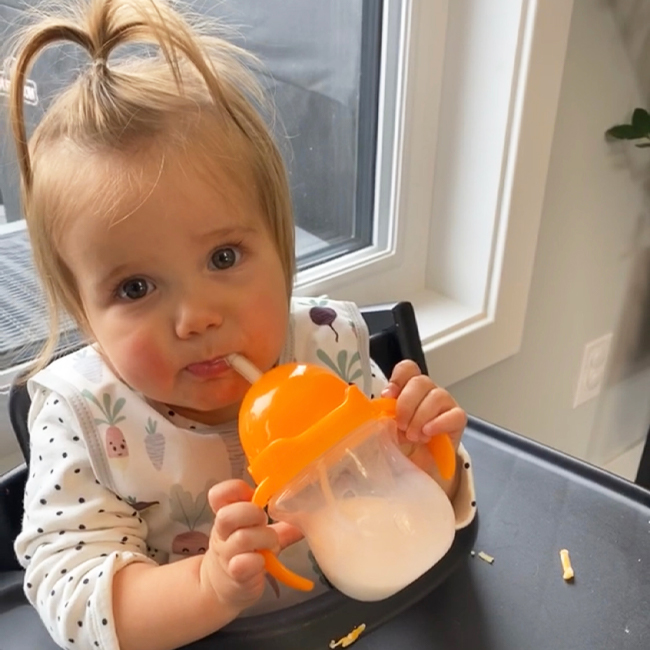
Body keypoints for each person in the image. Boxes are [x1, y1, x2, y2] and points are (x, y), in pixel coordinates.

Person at [7, 1, 476, 649]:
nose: (197, 316)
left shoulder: (326, 350)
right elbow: (76, 599)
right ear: (84, 311)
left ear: (281, 249)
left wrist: (428, 464)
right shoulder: (89, 422)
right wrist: (209, 586)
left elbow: (410, 506)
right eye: (135, 287)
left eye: (224, 257)